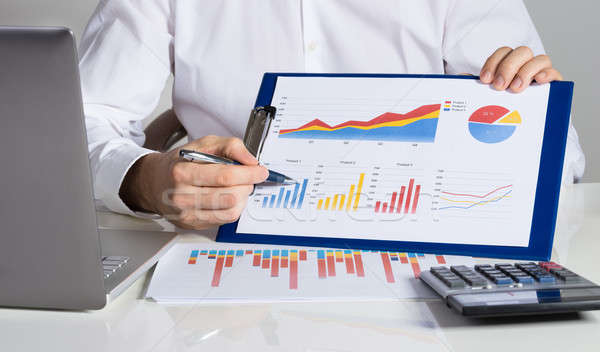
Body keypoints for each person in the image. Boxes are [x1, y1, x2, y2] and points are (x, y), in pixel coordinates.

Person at [79, 0, 585, 230]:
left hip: (421, 257)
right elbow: (81, 120)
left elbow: (562, 164)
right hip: (216, 246)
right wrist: (143, 179)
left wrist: (532, 115)